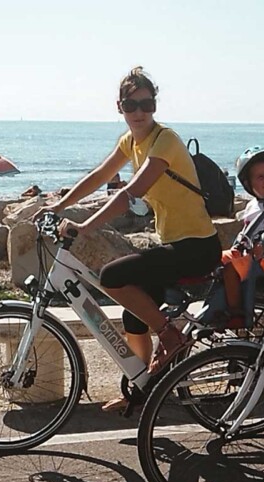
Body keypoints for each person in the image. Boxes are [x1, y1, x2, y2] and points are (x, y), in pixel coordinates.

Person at [43, 66, 220, 412]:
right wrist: (60, 204)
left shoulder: (165, 140)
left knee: (112, 276)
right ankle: (141, 389)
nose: (139, 112)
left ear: (154, 105)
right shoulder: (129, 141)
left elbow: (130, 193)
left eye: (146, 104)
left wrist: (85, 227)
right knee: (134, 316)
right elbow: (100, 175)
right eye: (131, 105)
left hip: (197, 246)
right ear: (119, 107)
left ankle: (170, 336)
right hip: (174, 243)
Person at [215, 146, 264, 325]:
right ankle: (221, 302)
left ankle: (236, 313)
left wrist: (261, 246)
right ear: (248, 183)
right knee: (216, 260)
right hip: (252, 254)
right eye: (261, 177)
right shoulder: (254, 205)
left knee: (229, 269)